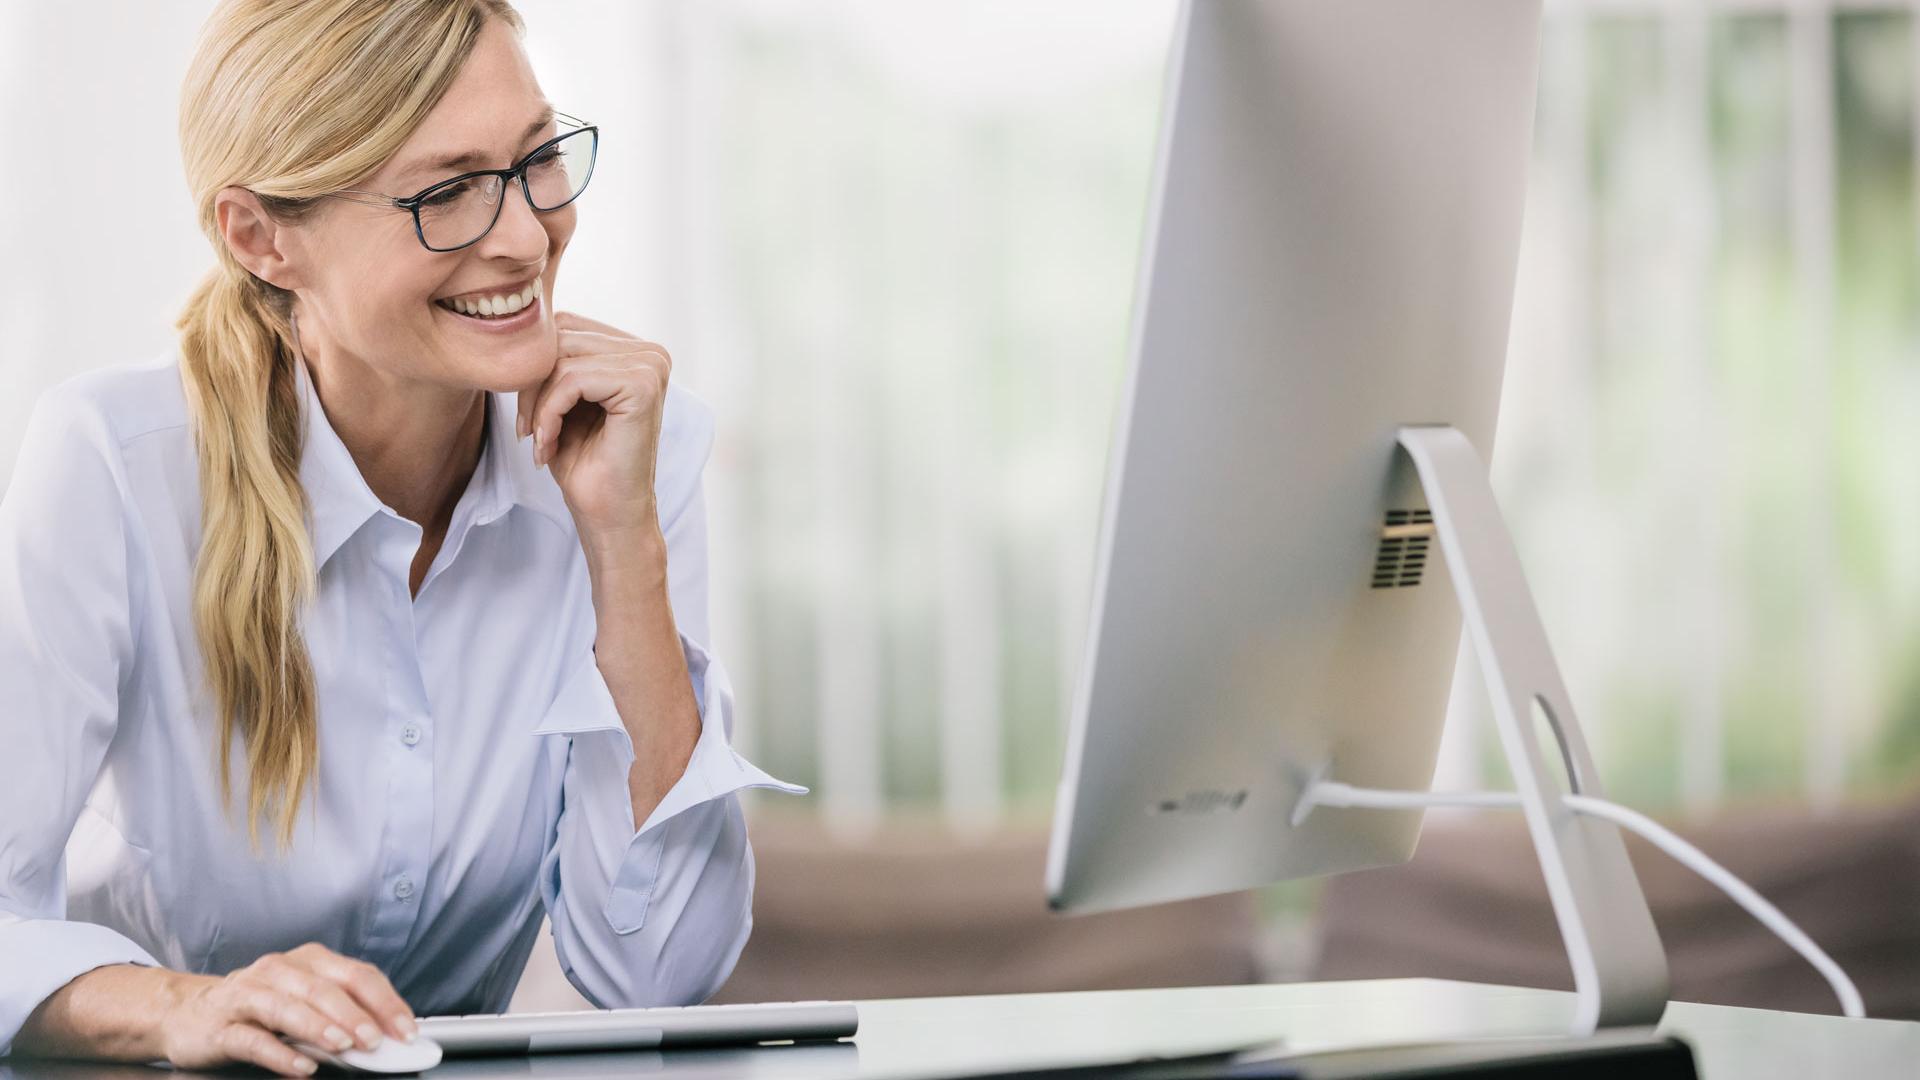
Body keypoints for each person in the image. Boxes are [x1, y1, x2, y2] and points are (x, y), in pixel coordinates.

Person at [0, 1, 802, 1074]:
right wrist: (179, 1008)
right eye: (449, 191)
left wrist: (624, 548)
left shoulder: (628, 448)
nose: (526, 235)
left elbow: (656, 974)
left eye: (536, 160)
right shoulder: (115, 465)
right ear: (260, 236)